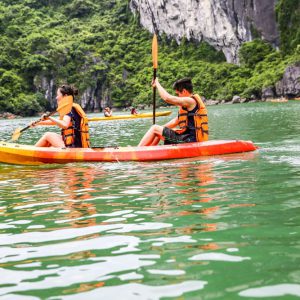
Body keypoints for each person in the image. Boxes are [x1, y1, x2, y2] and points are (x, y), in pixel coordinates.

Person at [138, 77, 208, 146]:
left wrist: (157, 84)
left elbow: (167, 98)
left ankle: (137, 150)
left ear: (184, 91)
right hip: (188, 139)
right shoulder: (188, 107)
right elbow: (175, 122)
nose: (178, 96)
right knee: (158, 130)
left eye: (178, 94)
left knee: (154, 128)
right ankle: (149, 150)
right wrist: (161, 128)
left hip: (190, 140)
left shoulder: (190, 101)